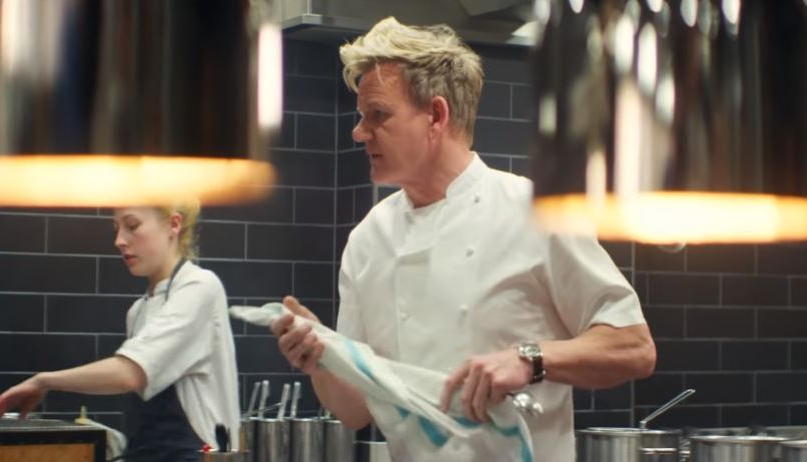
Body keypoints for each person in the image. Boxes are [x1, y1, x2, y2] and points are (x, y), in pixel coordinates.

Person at [270, 17, 657, 462]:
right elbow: (354, 410)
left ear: (436, 116)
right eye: (362, 116)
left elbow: (634, 347)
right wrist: (320, 358)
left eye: (378, 114)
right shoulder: (368, 239)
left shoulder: (535, 212)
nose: (359, 132)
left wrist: (529, 358)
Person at [0, 203, 240, 462]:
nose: (119, 240)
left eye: (132, 226)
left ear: (173, 225)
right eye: (116, 228)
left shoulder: (200, 287)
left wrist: (44, 381)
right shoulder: (139, 310)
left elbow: (130, 373)